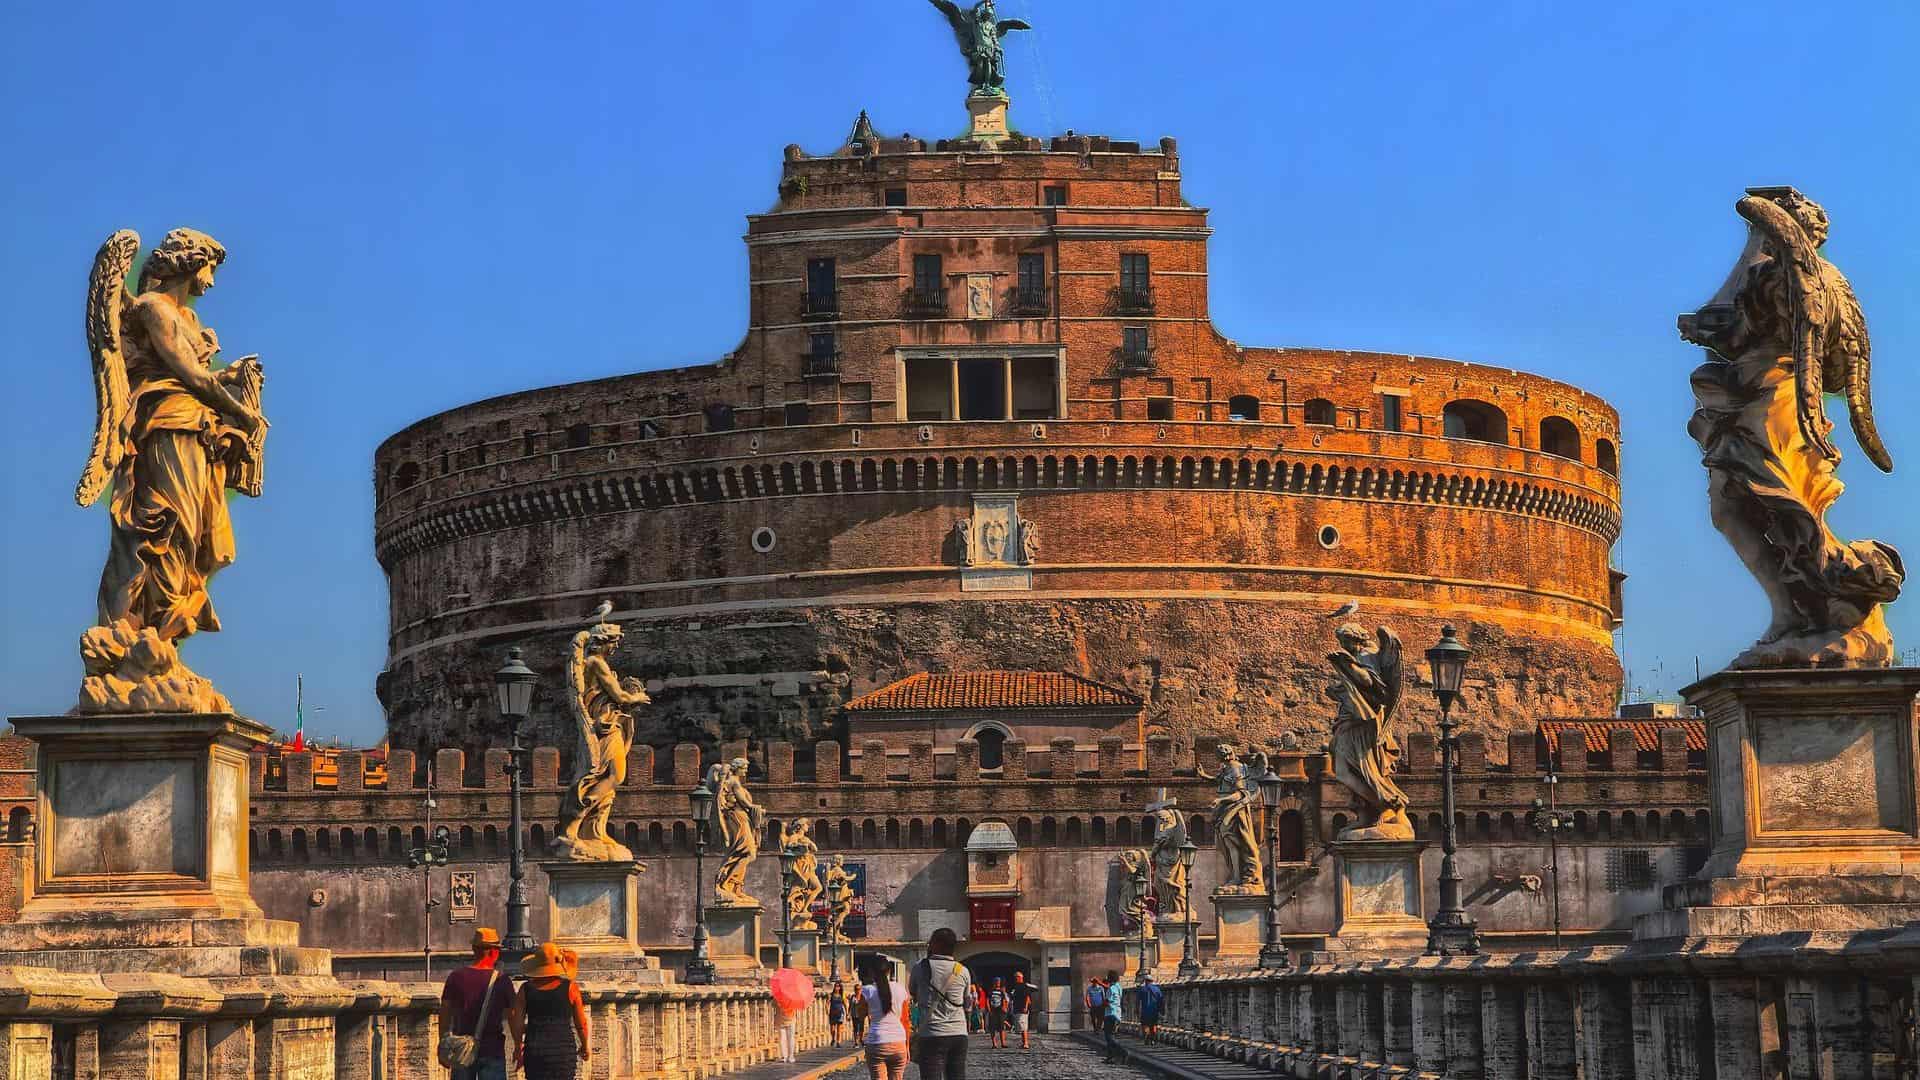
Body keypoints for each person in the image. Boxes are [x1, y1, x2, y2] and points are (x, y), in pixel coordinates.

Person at [438, 928, 516, 1080]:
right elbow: (513, 1015)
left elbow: (445, 1012)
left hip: (461, 1049)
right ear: (495, 952)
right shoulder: (502, 981)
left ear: (474, 949)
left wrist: (443, 1044)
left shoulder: (455, 977)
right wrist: (519, 1045)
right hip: (492, 1049)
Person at [510, 943, 590, 1080]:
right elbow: (581, 1023)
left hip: (536, 1050)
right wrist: (585, 1046)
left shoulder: (525, 990)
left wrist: (518, 1047)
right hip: (563, 1052)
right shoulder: (571, 988)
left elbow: (517, 1023)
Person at [907, 927, 972, 1080]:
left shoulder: (920, 967)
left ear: (936, 944)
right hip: (958, 1033)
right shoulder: (962, 970)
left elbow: (913, 992)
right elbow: (967, 1002)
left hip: (932, 1033)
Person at [860, 955, 911, 1080]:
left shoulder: (867, 991)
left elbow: (860, 1015)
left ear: (871, 972)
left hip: (877, 1041)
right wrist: (907, 1046)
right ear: (889, 971)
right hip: (898, 1041)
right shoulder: (900, 989)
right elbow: (905, 1021)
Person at [1101, 969, 1124, 1062]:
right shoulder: (1119, 987)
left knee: (1108, 1036)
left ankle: (1123, 1051)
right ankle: (1111, 1057)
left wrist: (1102, 1004)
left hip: (1110, 1014)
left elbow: (1107, 1001)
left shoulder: (1111, 989)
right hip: (1117, 1013)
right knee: (1111, 1036)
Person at [1007, 971, 1034, 1050]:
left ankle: (1026, 1043)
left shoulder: (1024, 986)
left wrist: (1026, 1007)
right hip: (1016, 1008)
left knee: (1023, 1026)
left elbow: (1027, 997)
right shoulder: (1015, 987)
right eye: (1015, 977)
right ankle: (1023, 1042)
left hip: (1022, 1008)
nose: (1015, 979)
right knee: (1020, 1026)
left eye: (1016, 977)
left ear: (1020, 977)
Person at [1137, 972, 1165, 1045]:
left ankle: (1146, 1037)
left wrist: (1137, 1010)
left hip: (1145, 1011)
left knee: (1145, 1025)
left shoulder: (1142, 989)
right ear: (1152, 981)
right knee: (1153, 1025)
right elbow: (1161, 1000)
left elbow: (1138, 1001)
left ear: (1145, 981)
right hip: (1154, 1010)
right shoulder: (1157, 989)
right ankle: (1153, 1039)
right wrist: (1162, 1010)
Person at [986, 978, 1008, 1048]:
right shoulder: (990, 991)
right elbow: (987, 1000)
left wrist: (1005, 1007)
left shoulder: (1001, 991)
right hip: (993, 1010)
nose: (998, 983)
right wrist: (989, 1010)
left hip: (1000, 1011)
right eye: (996, 982)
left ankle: (1003, 1043)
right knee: (992, 1028)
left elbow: (1004, 1000)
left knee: (1002, 1027)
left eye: (999, 982)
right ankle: (994, 1044)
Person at [828, 981, 849, 1048]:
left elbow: (845, 1004)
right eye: (836, 986)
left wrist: (847, 1013)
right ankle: (833, 1038)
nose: (837, 988)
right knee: (832, 1029)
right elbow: (827, 1003)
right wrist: (826, 1009)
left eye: (838, 986)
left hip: (840, 1013)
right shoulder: (831, 995)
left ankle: (838, 1042)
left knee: (839, 1029)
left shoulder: (842, 995)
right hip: (832, 1012)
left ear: (840, 988)